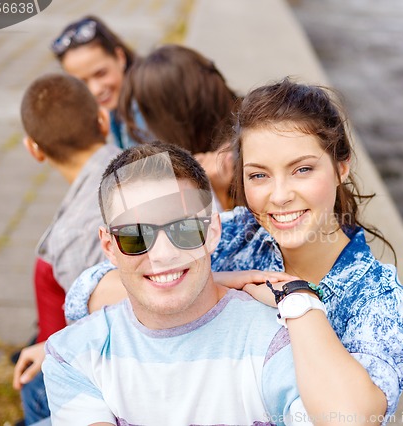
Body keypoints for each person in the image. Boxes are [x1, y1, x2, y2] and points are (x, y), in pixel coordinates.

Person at [66, 79, 403, 424]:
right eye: (259, 176)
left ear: (341, 167)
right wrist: (217, 283)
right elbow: (87, 292)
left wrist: (297, 301)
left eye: (302, 170)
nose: (279, 196)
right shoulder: (236, 233)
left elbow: (353, 419)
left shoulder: (374, 295)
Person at [13, 73, 121, 425]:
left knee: (33, 386)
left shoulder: (72, 235)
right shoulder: (140, 163)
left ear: (34, 149)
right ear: (102, 120)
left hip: (107, 370)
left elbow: (104, 330)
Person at [119, 44, 239, 210]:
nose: (144, 128)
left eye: (147, 113)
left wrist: (218, 196)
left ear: (175, 115)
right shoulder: (240, 125)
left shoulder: (237, 162)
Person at [51, 15, 147, 149]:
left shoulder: (145, 106)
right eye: (82, 83)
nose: (95, 90)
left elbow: (152, 169)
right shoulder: (118, 103)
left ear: (120, 57)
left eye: (101, 73)